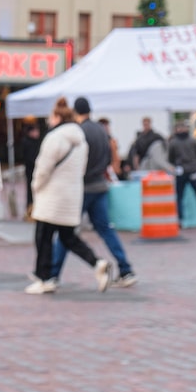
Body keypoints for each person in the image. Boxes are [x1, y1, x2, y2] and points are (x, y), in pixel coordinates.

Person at [26, 98, 110, 295]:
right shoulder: (81, 140)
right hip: (71, 196)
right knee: (68, 237)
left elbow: (43, 169)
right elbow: (81, 169)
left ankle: (44, 278)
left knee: (43, 237)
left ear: (57, 117)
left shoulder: (54, 138)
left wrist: (36, 187)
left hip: (51, 196)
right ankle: (96, 262)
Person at [51, 98, 137, 288]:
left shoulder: (79, 132)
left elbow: (76, 161)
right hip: (100, 185)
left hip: (83, 187)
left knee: (66, 230)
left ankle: (53, 273)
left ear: (75, 112)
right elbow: (110, 156)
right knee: (106, 229)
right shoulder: (101, 129)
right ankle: (125, 269)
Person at [168, 121, 196, 227]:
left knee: (180, 197)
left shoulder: (173, 142)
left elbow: (170, 158)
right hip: (193, 171)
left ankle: (180, 220)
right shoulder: (192, 141)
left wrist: (178, 165)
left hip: (181, 172)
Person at [18, 118, 42, 218]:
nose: (37, 133)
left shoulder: (35, 142)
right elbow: (30, 157)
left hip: (33, 169)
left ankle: (32, 209)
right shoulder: (28, 143)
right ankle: (30, 209)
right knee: (31, 190)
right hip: (31, 170)